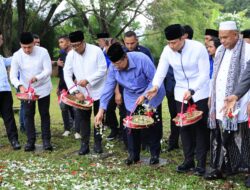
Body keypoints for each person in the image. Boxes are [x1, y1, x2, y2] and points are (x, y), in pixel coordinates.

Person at [147, 24, 210, 176]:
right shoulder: (167, 50)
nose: (171, 45)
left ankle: (201, 163)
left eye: (174, 42)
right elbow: (161, 69)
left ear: (183, 37)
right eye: (168, 42)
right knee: (184, 126)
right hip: (180, 92)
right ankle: (188, 160)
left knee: (200, 128)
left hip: (200, 91)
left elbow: (204, 74)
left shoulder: (198, 48)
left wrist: (193, 90)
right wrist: (155, 86)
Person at [95, 42, 165, 165]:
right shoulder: (113, 67)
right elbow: (108, 88)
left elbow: (154, 81)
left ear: (125, 57)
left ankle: (154, 154)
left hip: (151, 93)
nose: (116, 67)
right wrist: (101, 109)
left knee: (153, 125)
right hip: (131, 97)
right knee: (131, 126)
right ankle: (134, 155)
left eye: (118, 64)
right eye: (113, 64)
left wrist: (144, 95)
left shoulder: (141, 59)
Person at [205, 21, 250, 188]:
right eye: (220, 37)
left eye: (225, 37)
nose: (222, 40)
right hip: (220, 104)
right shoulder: (220, 51)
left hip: (239, 103)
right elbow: (215, 76)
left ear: (235, 35)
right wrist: (212, 96)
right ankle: (220, 168)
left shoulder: (247, 51)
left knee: (241, 138)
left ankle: (248, 171)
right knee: (219, 137)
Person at [63, 30, 107, 155]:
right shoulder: (71, 55)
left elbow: (103, 69)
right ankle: (84, 144)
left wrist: (88, 80)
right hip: (81, 93)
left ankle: (98, 143)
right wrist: (75, 91)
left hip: (99, 89)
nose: (76, 48)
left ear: (83, 42)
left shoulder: (96, 51)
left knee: (99, 118)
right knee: (82, 118)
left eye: (78, 45)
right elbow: (66, 74)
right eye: (73, 45)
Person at [10, 32, 53, 152]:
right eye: (24, 47)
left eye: (29, 47)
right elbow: (13, 76)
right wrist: (20, 86)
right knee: (28, 115)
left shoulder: (43, 52)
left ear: (34, 43)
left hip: (43, 87)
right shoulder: (17, 55)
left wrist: (37, 77)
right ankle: (30, 141)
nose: (27, 50)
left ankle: (46, 141)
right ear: (20, 45)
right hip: (27, 90)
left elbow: (48, 70)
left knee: (44, 114)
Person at [96, 32, 121, 141]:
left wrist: (117, 92)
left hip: (117, 82)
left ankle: (123, 131)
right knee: (109, 108)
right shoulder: (101, 51)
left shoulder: (112, 50)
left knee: (120, 108)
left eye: (100, 41)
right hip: (107, 83)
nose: (99, 43)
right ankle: (115, 129)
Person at [0, 30, 21, 150]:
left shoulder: (0, 57)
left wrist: (21, 51)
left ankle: (14, 140)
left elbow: (9, 60)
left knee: (9, 117)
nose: (2, 41)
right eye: (1, 38)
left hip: (5, 92)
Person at [57, 35, 78, 138]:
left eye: (62, 42)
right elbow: (61, 72)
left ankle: (77, 129)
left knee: (75, 108)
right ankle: (67, 128)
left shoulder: (75, 53)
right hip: (63, 86)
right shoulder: (61, 54)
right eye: (59, 42)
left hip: (74, 85)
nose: (60, 44)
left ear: (69, 42)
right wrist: (58, 86)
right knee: (64, 107)